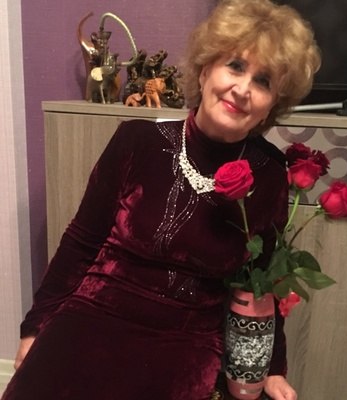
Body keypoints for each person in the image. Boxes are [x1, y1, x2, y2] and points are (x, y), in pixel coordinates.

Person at [2, 1, 320, 399]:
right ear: (205, 71)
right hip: (94, 313)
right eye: (235, 66)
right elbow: (80, 242)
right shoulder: (136, 141)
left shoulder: (269, 174)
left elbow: (264, 281)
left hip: (185, 340)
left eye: (263, 81)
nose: (242, 89)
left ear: (272, 105)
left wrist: (273, 369)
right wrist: (35, 328)